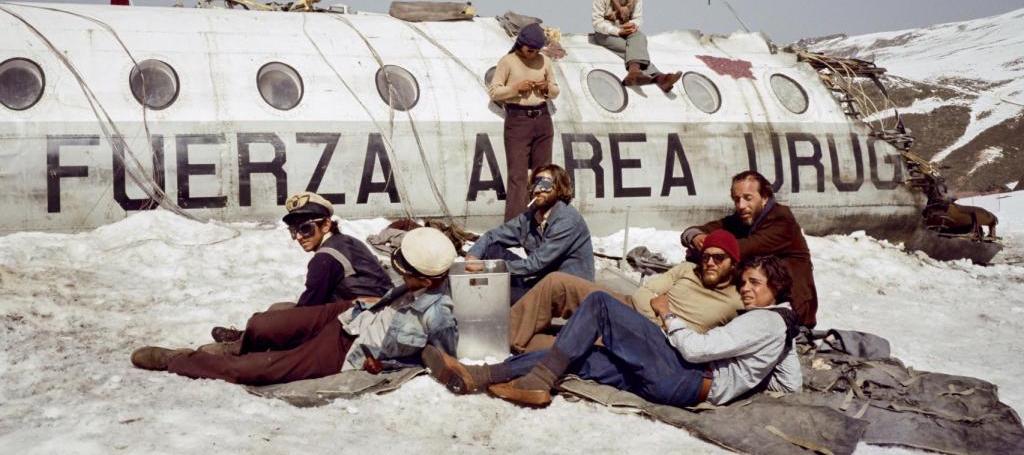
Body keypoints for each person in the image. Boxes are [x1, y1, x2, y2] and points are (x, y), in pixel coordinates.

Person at [423, 255, 801, 408]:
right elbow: (791, 385)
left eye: (755, 283)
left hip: (687, 372)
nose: (746, 289)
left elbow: (698, 350)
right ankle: (481, 375)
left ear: (777, 290)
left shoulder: (763, 320)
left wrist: (669, 316)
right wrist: (750, 381)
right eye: (746, 282)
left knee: (602, 306)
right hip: (680, 387)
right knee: (584, 357)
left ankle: (538, 380)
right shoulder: (781, 327)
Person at [130, 227, 458, 386]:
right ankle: (240, 344)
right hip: (350, 313)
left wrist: (385, 366)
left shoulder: (439, 314)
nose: (398, 270)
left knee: (256, 371)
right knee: (263, 323)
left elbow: (436, 358)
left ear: (426, 279)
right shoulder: (420, 283)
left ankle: (178, 359)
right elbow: (394, 303)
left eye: (405, 270)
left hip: (349, 349)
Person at [509, 229, 744, 353]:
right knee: (557, 282)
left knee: (568, 345)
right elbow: (644, 293)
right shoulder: (687, 269)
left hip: (649, 339)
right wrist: (658, 317)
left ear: (733, 263)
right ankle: (502, 341)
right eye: (707, 256)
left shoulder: (737, 300)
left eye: (719, 257)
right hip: (630, 306)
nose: (710, 262)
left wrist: (663, 320)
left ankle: (518, 345)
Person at [209, 191, 394, 343]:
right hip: (376, 312)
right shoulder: (346, 241)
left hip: (360, 321)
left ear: (326, 224)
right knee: (278, 308)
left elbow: (307, 310)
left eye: (305, 228)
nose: (299, 237)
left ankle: (242, 340)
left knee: (274, 319)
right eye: (294, 231)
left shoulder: (325, 258)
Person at [680, 171, 819, 328]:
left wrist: (704, 251)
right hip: (759, 301)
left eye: (748, 198)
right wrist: (695, 237)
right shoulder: (744, 218)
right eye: (736, 199)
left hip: (791, 311)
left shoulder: (782, 221)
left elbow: (741, 249)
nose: (741, 206)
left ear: (765, 198)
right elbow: (699, 230)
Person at [466, 164, 594, 304]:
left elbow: (536, 264)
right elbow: (492, 236)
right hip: (541, 279)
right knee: (491, 250)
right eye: (535, 184)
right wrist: (473, 256)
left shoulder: (568, 219)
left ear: (560, 187)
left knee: (499, 296)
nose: (538, 190)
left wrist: (489, 268)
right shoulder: (529, 218)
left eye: (545, 184)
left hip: (567, 291)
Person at [489, 22, 561, 222]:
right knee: (518, 177)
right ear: (521, 44)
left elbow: (555, 90)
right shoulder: (508, 62)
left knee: (543, 175)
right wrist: (516, 89)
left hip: (542, 119)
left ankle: (542, 221)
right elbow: (494, 91)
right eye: (530, 49)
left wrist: (546, 88)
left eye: (537, 50)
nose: (532, 54)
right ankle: (515, 225)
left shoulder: (544, 61)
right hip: (518, 120)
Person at [591, 0, 681, 92]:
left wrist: (631, 25)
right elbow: (597, 22)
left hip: (626, 31)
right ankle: (659, 78)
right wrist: (617, 31)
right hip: (606, 33)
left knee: (640, 37)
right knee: (633, 51)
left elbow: (638, 18)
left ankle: (634, 73)